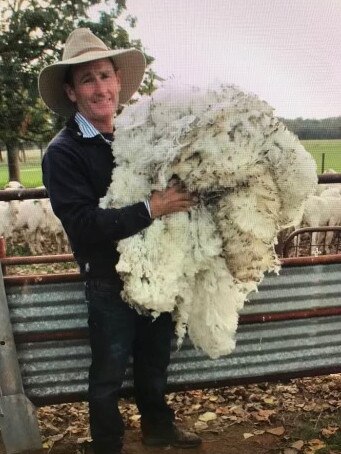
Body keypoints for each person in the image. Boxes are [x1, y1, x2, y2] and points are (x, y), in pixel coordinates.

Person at [39, 28, 201, 454]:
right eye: (88, 79)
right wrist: (153, 208)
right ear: (72, 92)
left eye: (106, 76)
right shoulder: (64, 152)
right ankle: (108, 443)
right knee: (109, 368)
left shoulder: (137, 134)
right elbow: (84, 225)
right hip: (107, 277)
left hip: (156, 267)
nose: (101, 88)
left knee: (154, 360)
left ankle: (158, 429)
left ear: (118, 82)